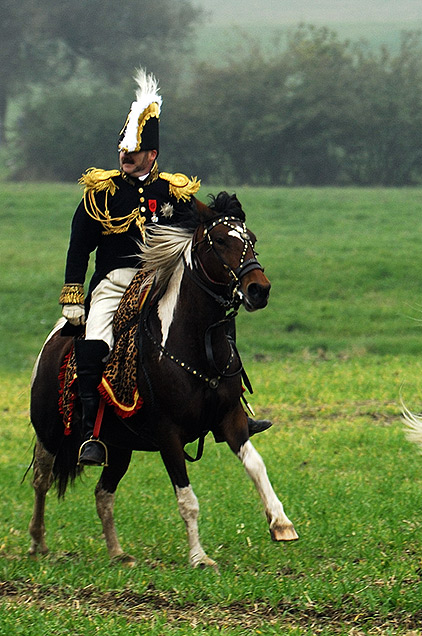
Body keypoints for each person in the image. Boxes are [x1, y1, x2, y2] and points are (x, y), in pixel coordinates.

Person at [60, 70, 270, 467]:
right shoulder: (101, 193)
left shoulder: (173, 192)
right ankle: (91, 433)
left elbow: (205, 232)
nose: (125, 156)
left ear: (151, 155)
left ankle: (234, 409)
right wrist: (73, 294)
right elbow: (79, 248)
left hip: (163, 281)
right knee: (95, 343)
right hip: (116, 283)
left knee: (214, 326)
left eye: (134, 151)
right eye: (123, 150)